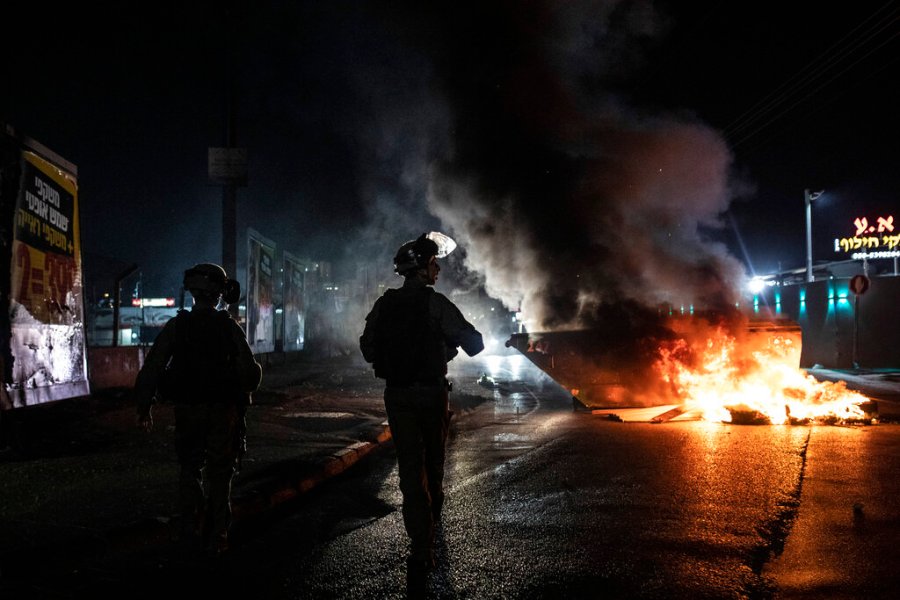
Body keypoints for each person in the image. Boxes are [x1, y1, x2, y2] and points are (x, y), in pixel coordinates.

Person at [359, 232, 484, 571]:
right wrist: (444, 347)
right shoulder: (435, 303)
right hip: (431, 395)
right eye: (433, 264)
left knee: (411, 470)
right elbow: (474, 343)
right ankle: (431, 526)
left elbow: (368, 348)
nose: (438, 269)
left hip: (397, 395)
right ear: (422, 269)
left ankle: (420, 544)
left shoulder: (385, 304)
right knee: (433, 464)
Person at [134, 263, 262, 557]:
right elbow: (250, 376)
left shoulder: (177, 326)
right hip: (222, 412)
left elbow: (153, 367)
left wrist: (144, 406)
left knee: (189, 468)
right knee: (220, 472)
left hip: (187, 410)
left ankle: (189, 530)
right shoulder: (229, 327)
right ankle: (218, 535)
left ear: (192, 292)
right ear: (219, 294)